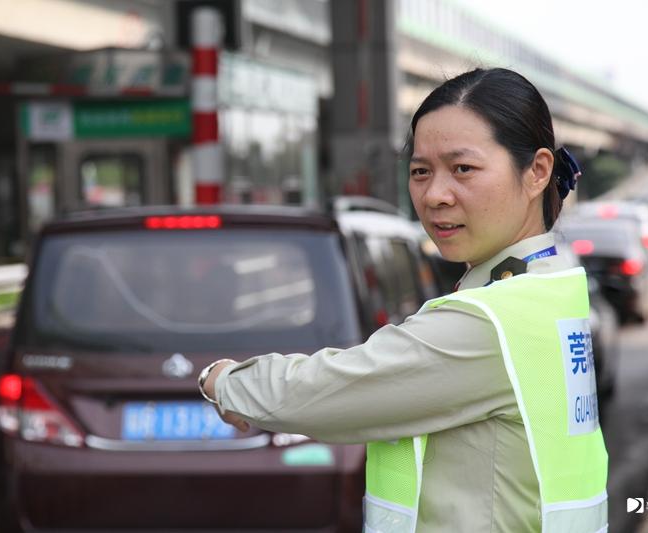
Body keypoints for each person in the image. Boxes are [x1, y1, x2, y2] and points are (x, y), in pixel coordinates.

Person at [197, 68, 608, 532]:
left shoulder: (491, 322)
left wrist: (223, 380)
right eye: (420, 171)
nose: (435, 195)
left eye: (463, 169)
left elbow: (329, 390)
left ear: (537, 172)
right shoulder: (551, 286)